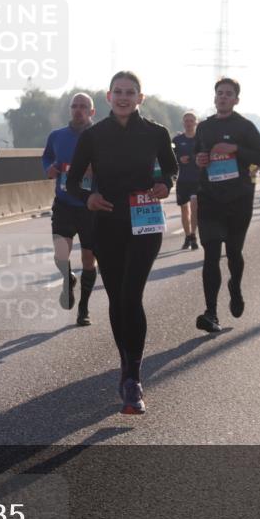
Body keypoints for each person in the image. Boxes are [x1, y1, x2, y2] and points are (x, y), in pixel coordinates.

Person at [67, 71, 178, 414]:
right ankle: (125, 364)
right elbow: (72, 183)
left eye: (131, 92)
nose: (124, 97)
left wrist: (165, 186)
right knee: (117, 298)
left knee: (132, 295)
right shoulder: (93, 135)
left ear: (141, 98)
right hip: (107, 222)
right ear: (108, 97)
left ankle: (133, 377)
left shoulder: (156, 133)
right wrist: (88, 199)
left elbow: (171, 171)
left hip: (144, 222)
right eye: (118, 92)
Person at [193, 77, 260, 333]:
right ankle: (211, 312)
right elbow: (198, 155)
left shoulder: (245, 127)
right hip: (210, 198)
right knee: (211, 255)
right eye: (219, 93)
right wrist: (200, 159)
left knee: (234, 254)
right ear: (214, 98)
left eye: (228, 94)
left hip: (238, 200)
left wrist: (235, 148)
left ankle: (234, 286)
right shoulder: (204, 128)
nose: (223, 97)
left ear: (236, 99)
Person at [42, 92, 99, 325]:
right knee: (60, 254)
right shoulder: (57, 136)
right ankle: (67, 279)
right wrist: (49, 169)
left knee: (88, 259)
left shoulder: (100, 136)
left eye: (83, 106)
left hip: (89, 206)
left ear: (91, 112)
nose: (78, 110)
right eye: (74, 106)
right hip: (64, 202)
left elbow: (113, 165)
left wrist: (96, 170)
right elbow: (47, 158)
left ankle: (83, 309)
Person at [172, 112, 201, 250]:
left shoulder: (201, 139)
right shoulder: (176, 140)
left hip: (197, 180)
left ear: (196, 122)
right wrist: (179, 159)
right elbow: (169, 159)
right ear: (183, 123)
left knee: (194, 205)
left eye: (191, 120)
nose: (189, 123)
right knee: (184, 209)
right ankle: (187, 235)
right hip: (183, 180)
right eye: (186, 121)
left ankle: (193, 235)